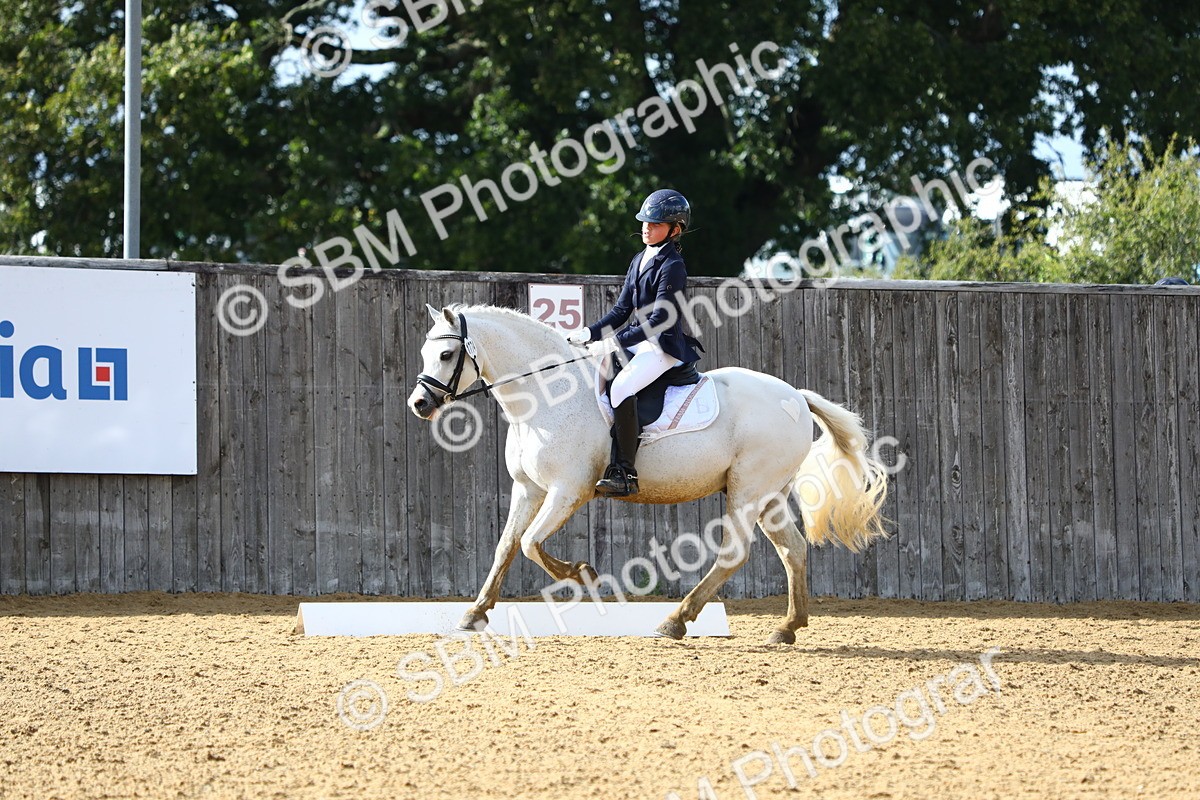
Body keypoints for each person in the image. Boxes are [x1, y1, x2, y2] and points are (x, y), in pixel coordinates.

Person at [566, 189, 703, 497]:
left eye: (655, 224)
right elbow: (621, 310)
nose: (646, 227)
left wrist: (612, 342)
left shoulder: (673, 265)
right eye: (645, 222)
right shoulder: (640, 258)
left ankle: (625, 471)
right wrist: (589, 333)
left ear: (675, 229)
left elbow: (659, 321)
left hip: (662, 346)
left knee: (622, 387)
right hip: (639, 341)